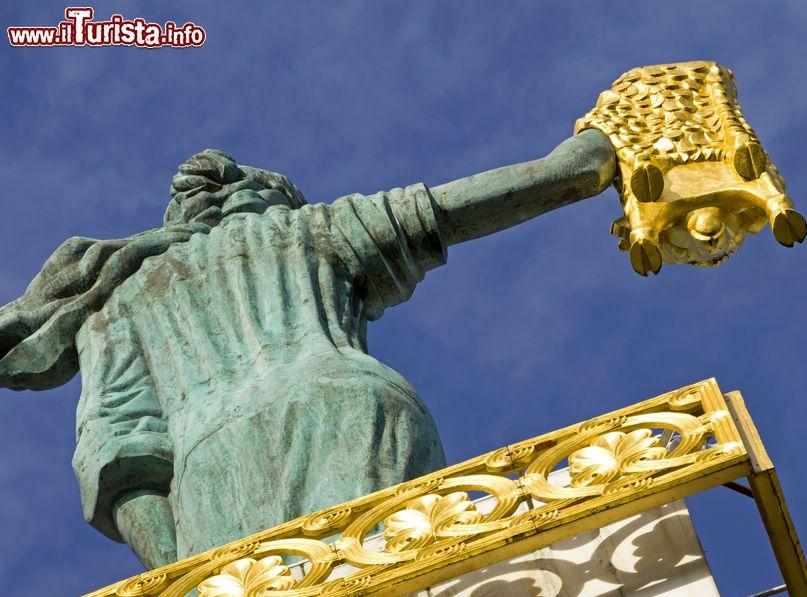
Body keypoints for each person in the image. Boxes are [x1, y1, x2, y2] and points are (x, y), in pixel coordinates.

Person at [0, 130, 617, 568]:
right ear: (276, 199)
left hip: (211, 464)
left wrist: (178, 580)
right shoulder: (313, 229)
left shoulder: (119, 299)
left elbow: (121, 457)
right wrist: (589, 159)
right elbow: (465, 204)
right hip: (351, 410)